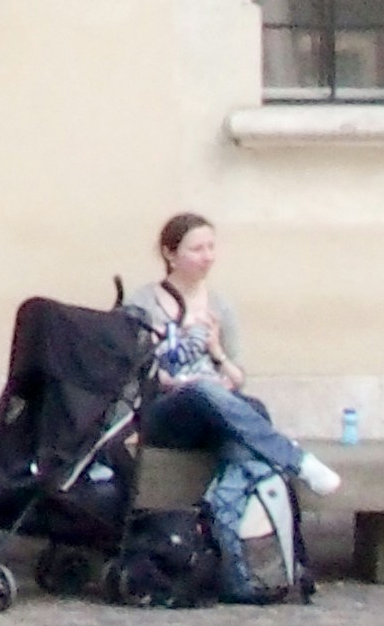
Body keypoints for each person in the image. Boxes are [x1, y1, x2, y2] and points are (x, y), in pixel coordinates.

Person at [135, 212, 340, 601]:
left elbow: (236, 374)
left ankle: (259, 560)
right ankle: (297, 460)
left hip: (213, 408)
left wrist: (216, 353)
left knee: (251, 409)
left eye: (211, 247)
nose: (207, 256)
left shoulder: (220, 306)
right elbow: (130, 372)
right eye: (197, 249)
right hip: (166, 411)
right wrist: (173, 379)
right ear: (170, 253)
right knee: (201, 392)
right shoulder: (143, 303)